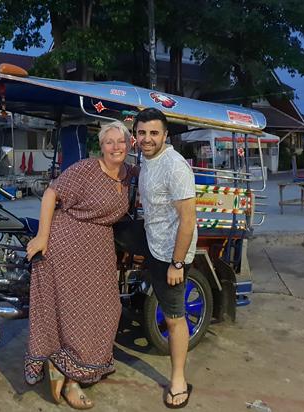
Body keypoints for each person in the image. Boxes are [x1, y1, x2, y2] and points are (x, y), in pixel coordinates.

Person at [24, 121, 133, 410]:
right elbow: (51, 193)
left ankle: (70, 365)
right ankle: (70, 376)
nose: (115, 147)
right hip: (67, 243)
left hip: (98, 249)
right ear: (101, 146)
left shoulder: (129, 175)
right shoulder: (86, 168)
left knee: (108, 308)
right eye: (109, 142)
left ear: (129, 144)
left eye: (120, 141)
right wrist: (42, 236)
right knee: (74, 312)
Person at [135, 108, 197, 409]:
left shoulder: (175, 166)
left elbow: (188, 220)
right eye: (142, 132)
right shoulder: (146, 160)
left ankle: (178, 380)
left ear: (165, 135)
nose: (147, 138)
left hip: (171, 252)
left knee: (174, 318)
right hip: (152, 240)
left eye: (154, 133)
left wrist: (177, 263)